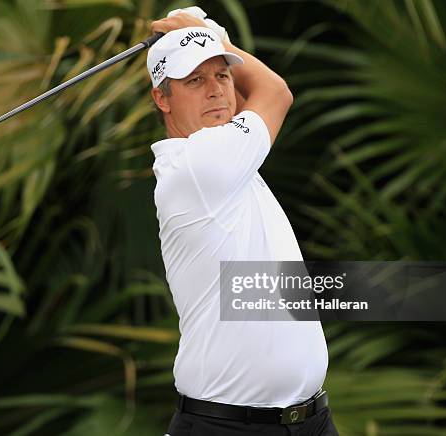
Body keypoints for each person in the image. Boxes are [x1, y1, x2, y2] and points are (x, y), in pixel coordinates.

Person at [147, 8, 339, 436]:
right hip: (227, 427)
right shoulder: (200, 166)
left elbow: (257, 98)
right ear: (163, 98)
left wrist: (207, 42)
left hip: (312, 422)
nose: (215, 91)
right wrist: (214, 36)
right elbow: (276, 92)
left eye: (223, 76)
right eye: (194, 81)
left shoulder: (234, 164)